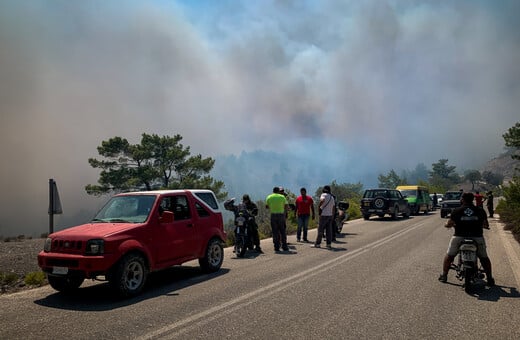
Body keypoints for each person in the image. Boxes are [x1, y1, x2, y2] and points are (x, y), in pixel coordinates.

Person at [438, 192, 494, 286]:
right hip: (477, 237)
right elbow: (485, 224)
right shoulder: (480, 210)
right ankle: (489, 278)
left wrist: (447, 225)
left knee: (450, 256)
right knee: (484, 258)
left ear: (462, 199)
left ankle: (444, 275)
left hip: (459, 236)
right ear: (473, 199)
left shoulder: (456, 210)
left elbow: (449, 223)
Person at [265, 187, 289, 252]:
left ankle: (276, 247)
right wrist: (284, 211)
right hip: (281, 215)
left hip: (273, 215)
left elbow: (266, 206)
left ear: (273, 191)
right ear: (278, 191)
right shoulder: (282, 197)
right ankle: (284, 246)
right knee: (282, 231)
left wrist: (272, 207)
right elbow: (286, 206)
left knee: (275, 231)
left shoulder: (269, 197)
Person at [312, 185, 335, 249]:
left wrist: (319, 207)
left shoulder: (324, 195)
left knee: (320, 230)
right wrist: (332, 216)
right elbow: (333, 208)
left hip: (324, 215)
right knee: (329, 231)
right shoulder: (332, 197)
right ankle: (328, 244)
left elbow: (322, 200)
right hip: (330, 215)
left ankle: (317, 244)